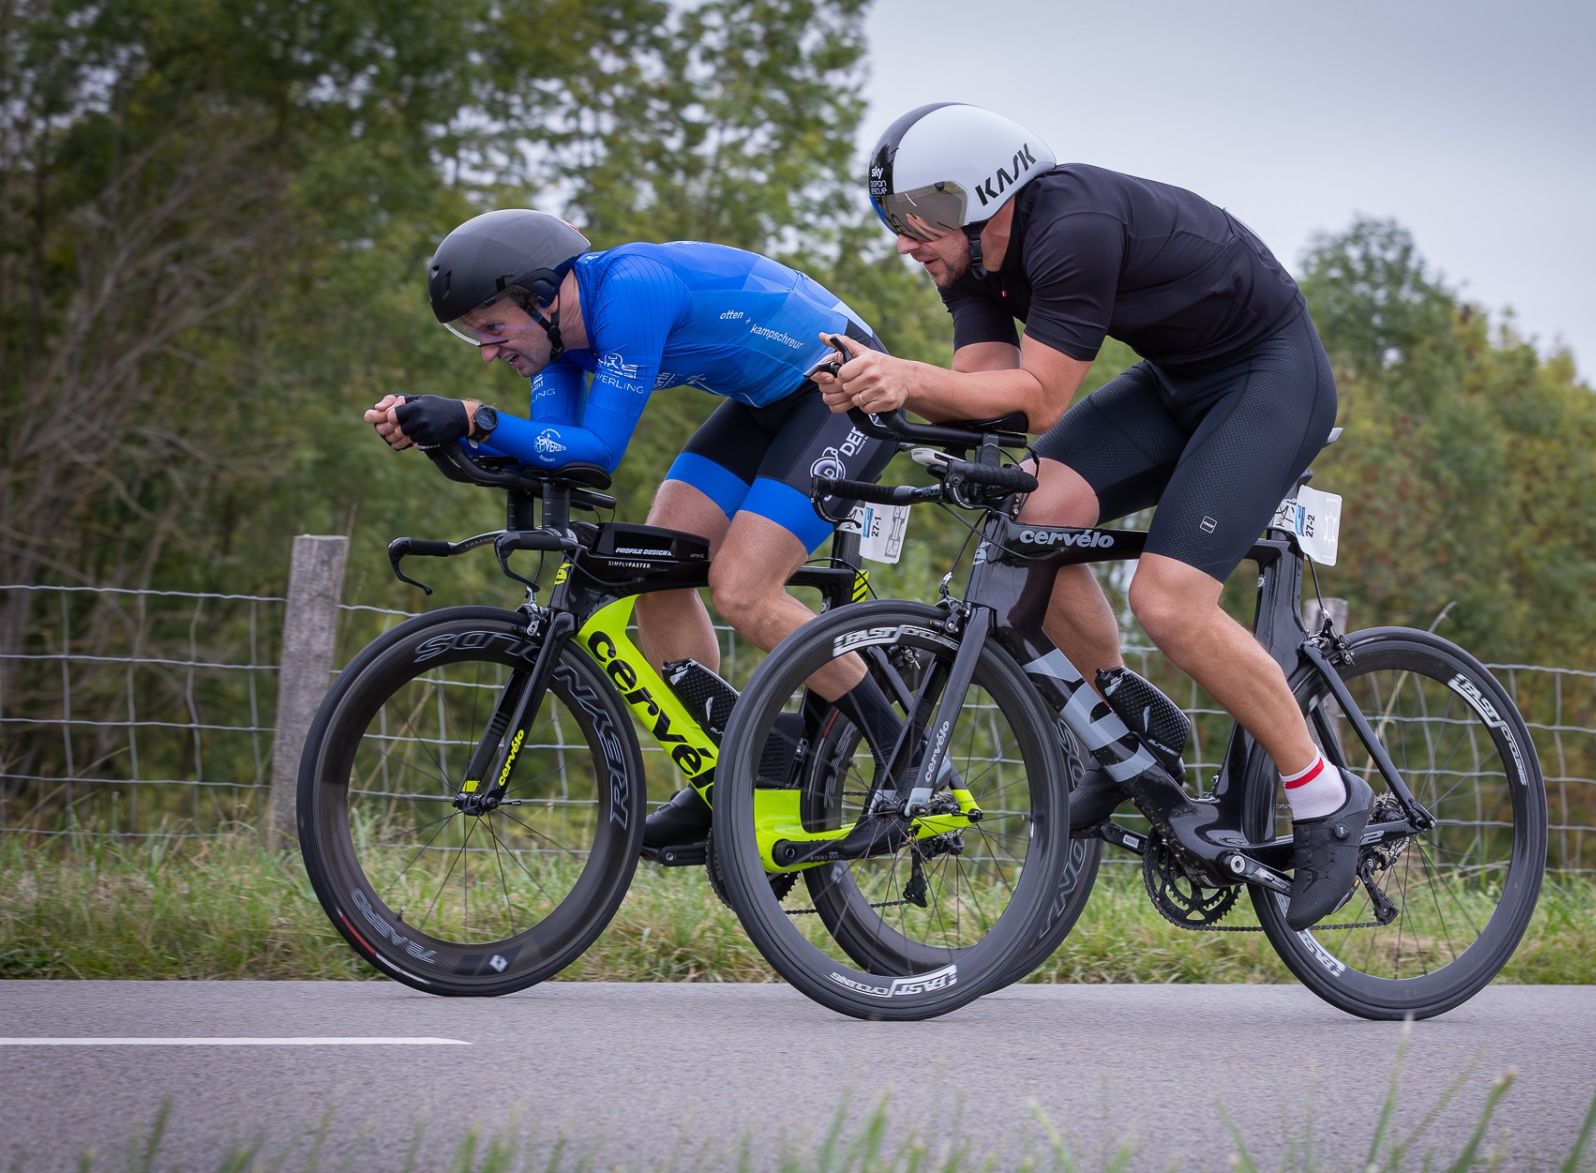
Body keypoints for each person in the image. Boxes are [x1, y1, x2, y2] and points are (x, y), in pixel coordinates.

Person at [819, 103, 1364, 929]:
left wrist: (907, 377)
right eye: (892, 219)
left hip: (1267, 374)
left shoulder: (1071, 223)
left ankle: (1326, 795)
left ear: (983, 192)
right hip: (1178, 380)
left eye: (916, 216)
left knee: (1169, 602)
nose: (904, 239)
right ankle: (1120, 718)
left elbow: (1037, 398)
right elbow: (983, 395)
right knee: (1031, 509)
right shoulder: (966, 265)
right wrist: (877, 398)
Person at [365, 209, 909, 847]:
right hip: (764, 403)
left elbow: (596, 450)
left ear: (541, 297)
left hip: (844, 391)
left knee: (743, 590)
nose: (486, 350)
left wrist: (476, 420)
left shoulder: (630, 289)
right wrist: (442, 431)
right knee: (653, 572)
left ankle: (907, 760)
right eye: (472, 336)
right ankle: (723, 778)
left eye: (491, 327)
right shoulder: (557, 346)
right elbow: (559, 455)